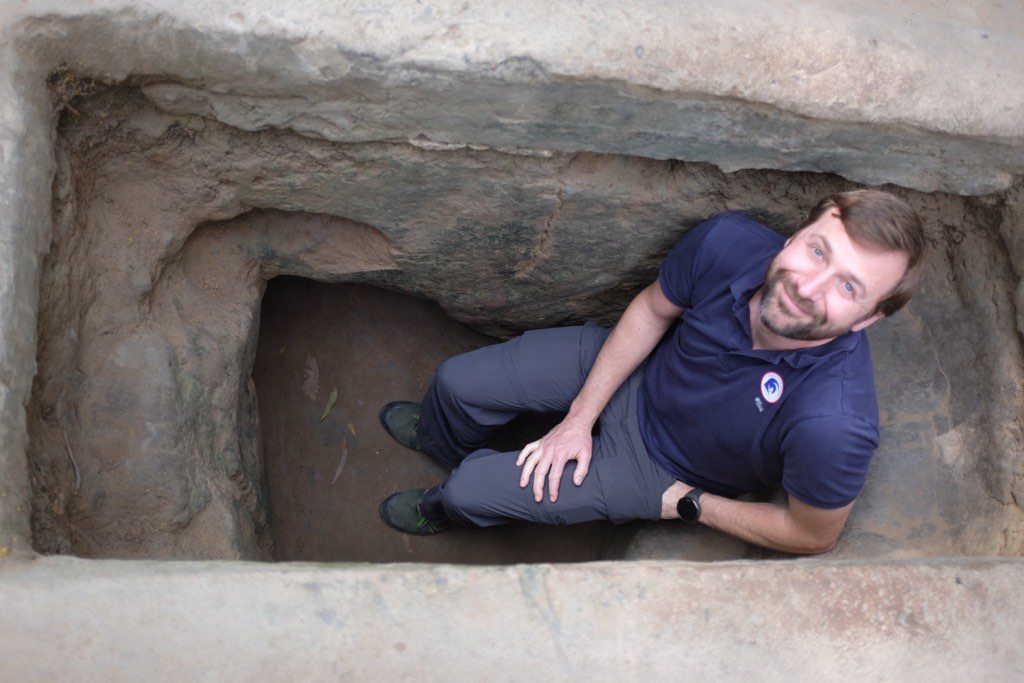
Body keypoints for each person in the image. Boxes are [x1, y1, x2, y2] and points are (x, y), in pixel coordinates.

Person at [377, 189, 927, 554]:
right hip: (636, 371)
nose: (809, 286)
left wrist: (690, 505)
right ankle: (440, 439)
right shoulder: (728, 244)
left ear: (869, 319)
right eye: (817, 251)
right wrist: (578, 418)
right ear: (793, 236)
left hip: (660, 469)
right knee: (455, 382)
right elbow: (651, 310)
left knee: (472, 489)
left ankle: (442, 505)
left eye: (848, 286)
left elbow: (813, 534)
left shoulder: (835, 422)